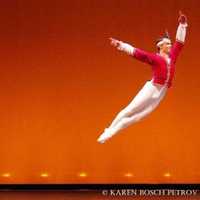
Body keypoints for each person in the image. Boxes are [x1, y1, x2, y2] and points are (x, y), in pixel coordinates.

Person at [97, 11, 188, 144]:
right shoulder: (155, 58)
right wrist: (120, 45)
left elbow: (179, 43)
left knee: (140, 116)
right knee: (130, 109)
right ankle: (109, 130)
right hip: (151, 88)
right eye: (167, 44)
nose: (170, 46)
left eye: (170, 44)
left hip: (162, 92)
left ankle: (116, 129)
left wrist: (183, 24)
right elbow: (138, 53)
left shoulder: (172, 57)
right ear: (160, 46)